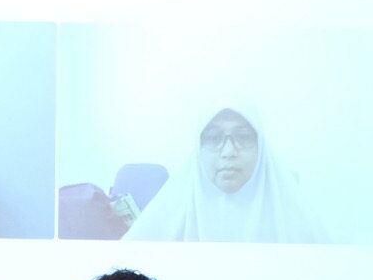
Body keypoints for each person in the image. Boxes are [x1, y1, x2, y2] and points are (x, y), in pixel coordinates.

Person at [125, 104, 328, 243]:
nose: (229, 152)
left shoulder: (295, 221)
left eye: (243, 137)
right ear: (198, 149)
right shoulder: (170, 216)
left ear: (261, 148)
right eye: (214, 138)